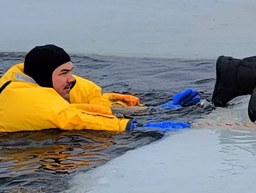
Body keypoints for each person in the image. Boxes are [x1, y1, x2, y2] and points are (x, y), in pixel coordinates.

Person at [0, 45, 199, 133]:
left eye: (71, 71)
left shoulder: (46, 80)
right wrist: (132, 127)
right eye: (63, 73)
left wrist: (150, 110)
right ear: (44, 75)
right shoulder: (26, 99)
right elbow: (74, 118)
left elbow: (97, 102)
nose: (71, 79)